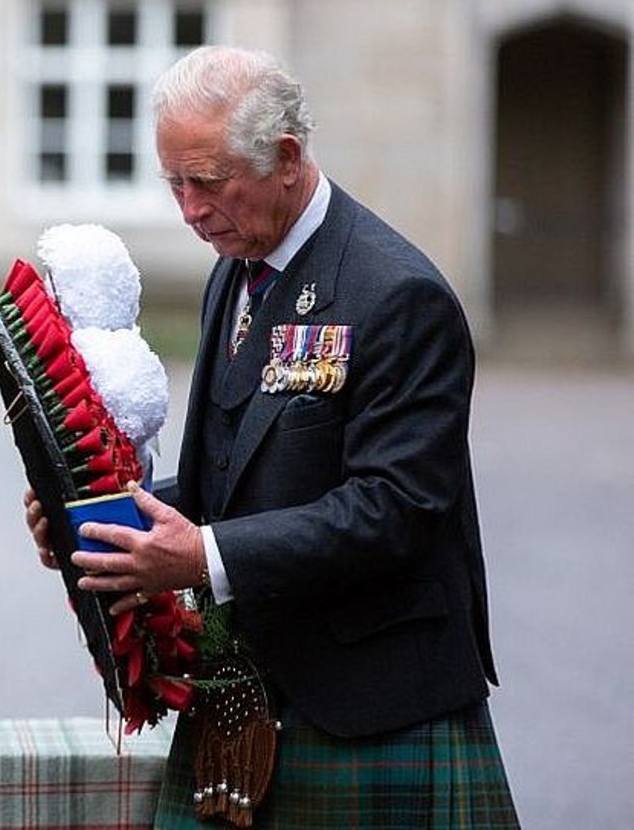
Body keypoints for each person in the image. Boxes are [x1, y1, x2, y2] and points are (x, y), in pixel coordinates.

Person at [25, 45, 518, 828]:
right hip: (249, 692)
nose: (187, 208)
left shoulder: (398, 294)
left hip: (374, 707)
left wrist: (200, 558)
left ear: (286, 158)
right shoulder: (238, 264)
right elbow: (225, 481)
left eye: (208, 182)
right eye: (173, 182)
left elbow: (394, 508)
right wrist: (103, 521)